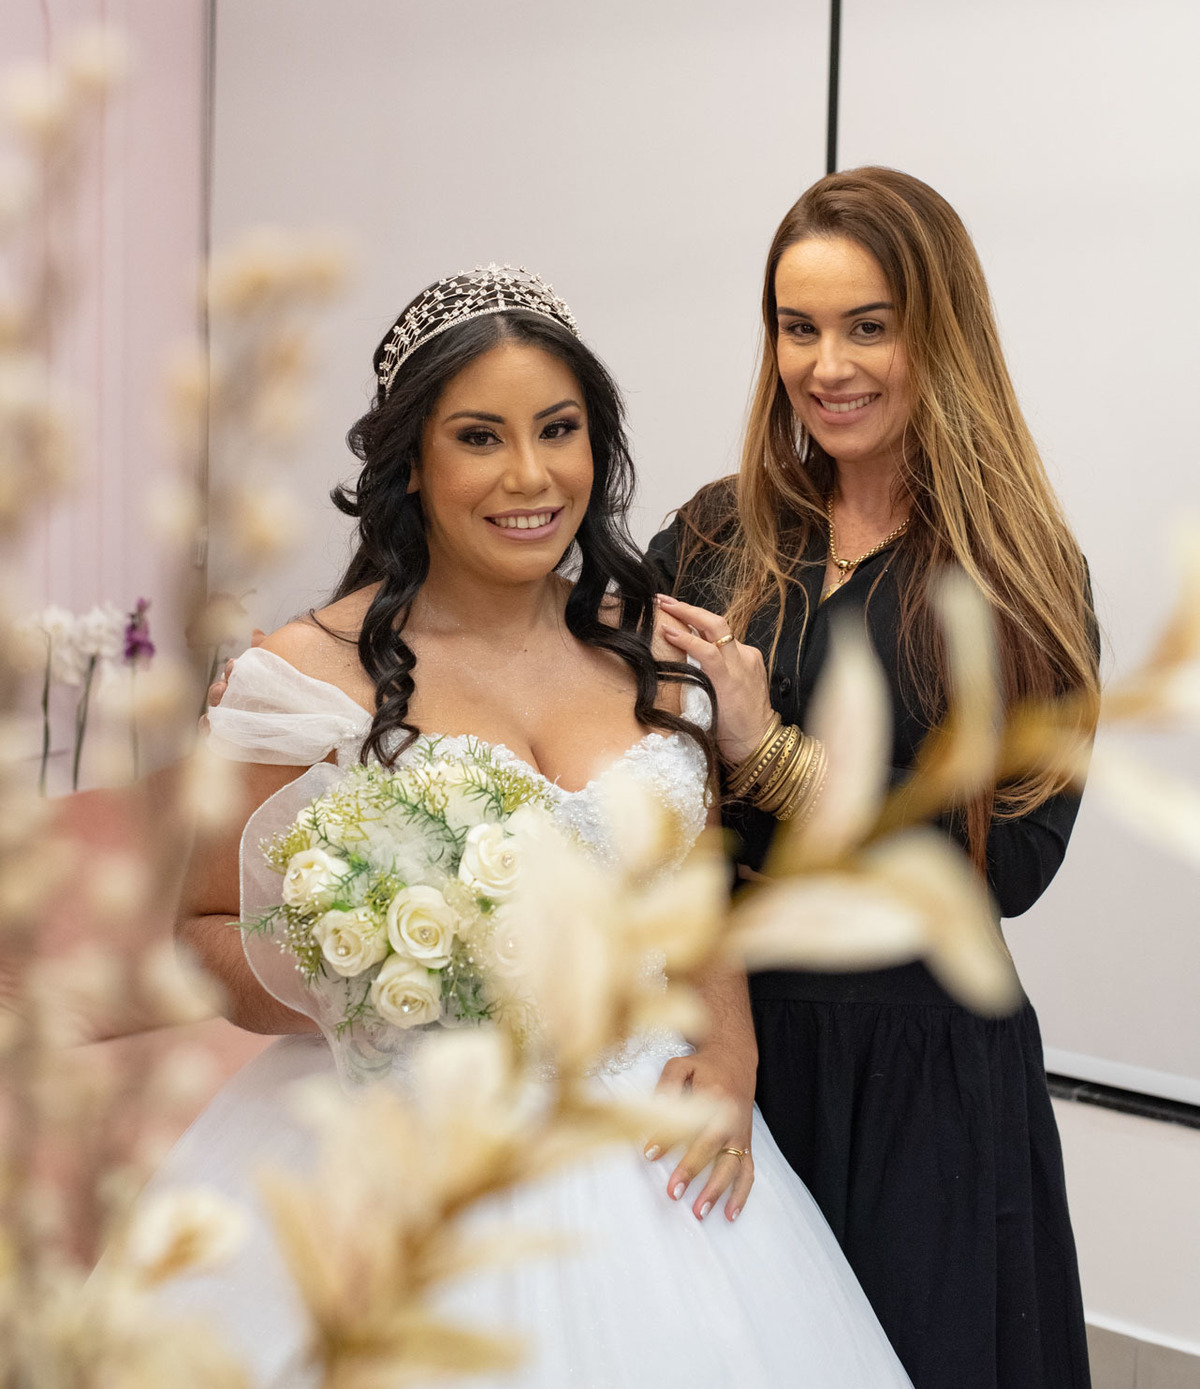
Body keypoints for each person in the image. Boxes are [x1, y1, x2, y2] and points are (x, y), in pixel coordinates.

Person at [164, 265, 911, 1389]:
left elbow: (693, 882)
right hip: (397, 1158)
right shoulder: (297, 676)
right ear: (410, 464)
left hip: (651, 1160)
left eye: (558, 430)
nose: (529, 475)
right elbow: (200, 928)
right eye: (479, 437)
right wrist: (358, 981)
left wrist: (731, 1048)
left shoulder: (651, 647)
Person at [647, 168, 1101, 1389]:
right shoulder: (712, 533)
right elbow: (581, 706)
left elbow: (1008, 867)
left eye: (868, 326)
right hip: (726, 1040)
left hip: (922, 1086)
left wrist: (773, 756)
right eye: (799, 328)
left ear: (936, 333)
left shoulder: (1017, 577)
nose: (826, 364)